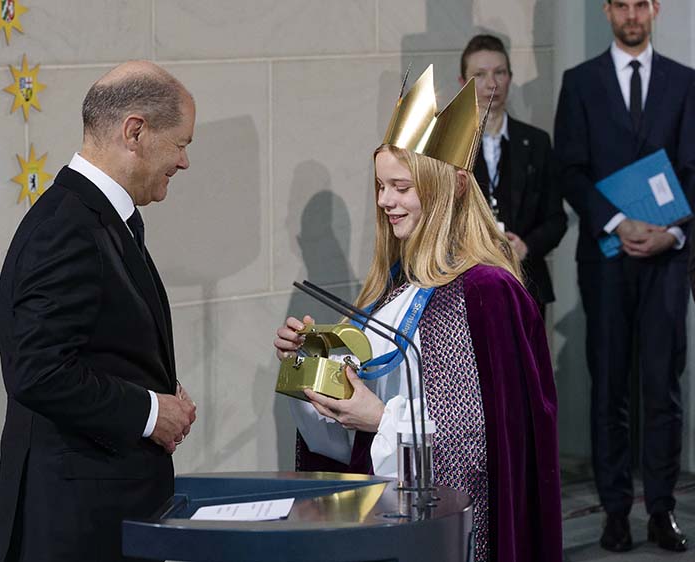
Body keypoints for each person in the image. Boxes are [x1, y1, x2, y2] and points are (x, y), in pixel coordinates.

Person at [274, 66, 562, 562]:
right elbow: (353, 433)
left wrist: (381, 418)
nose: (385, 201)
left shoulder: (489, 292)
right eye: (381, 186)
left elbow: (496, 440)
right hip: (385, 514)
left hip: (448, 532)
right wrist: (315, 375)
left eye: (401, 187)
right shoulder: (394, 287)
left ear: (446, 189)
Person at [0, 60, 198, 562]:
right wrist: (150, 413)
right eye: (181, 143)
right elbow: (37, 372)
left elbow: (97, 351)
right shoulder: (67, 228)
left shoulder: (102, 218)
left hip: (103, 515)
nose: (185, 162)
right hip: (75, 529)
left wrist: (156, 391)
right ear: (135, 131)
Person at [554, 0, 695, 552]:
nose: (632, 14)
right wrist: (618, 220)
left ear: (655, 9)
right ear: (609, 11)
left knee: (662, 387)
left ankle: (661, 510)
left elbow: (692, 167)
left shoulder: (685, 83)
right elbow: (570, 167)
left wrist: (672, 233)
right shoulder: (580, 82)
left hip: (667, 260)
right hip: (606, 259)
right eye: (621, 4)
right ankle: (615, 510)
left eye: (642, 3)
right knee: (609, 384)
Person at [460, 34, 567, 314]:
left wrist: (526, 247)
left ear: (510, 78)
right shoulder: (449, 146)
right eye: (479, 75)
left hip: (527, 286)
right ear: (463, 83)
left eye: (500, 72)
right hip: (466, 288)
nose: (491, 84)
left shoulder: (537, 142)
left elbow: (556, 219)